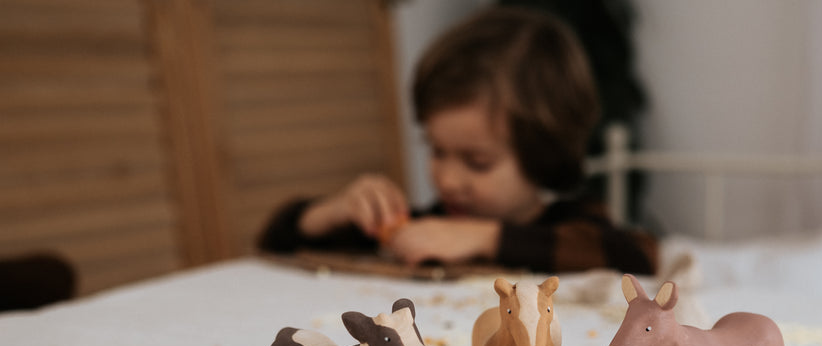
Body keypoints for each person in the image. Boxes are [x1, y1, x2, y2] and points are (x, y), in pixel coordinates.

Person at [259, 6, 657, 274]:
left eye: (477, 161)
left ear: (543, 155)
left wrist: (483, 237)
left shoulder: (573, 225)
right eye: (436, 151)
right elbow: (275, 242)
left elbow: (637, 254)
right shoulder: (429, 226)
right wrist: (332, 211)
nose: (446, 180)